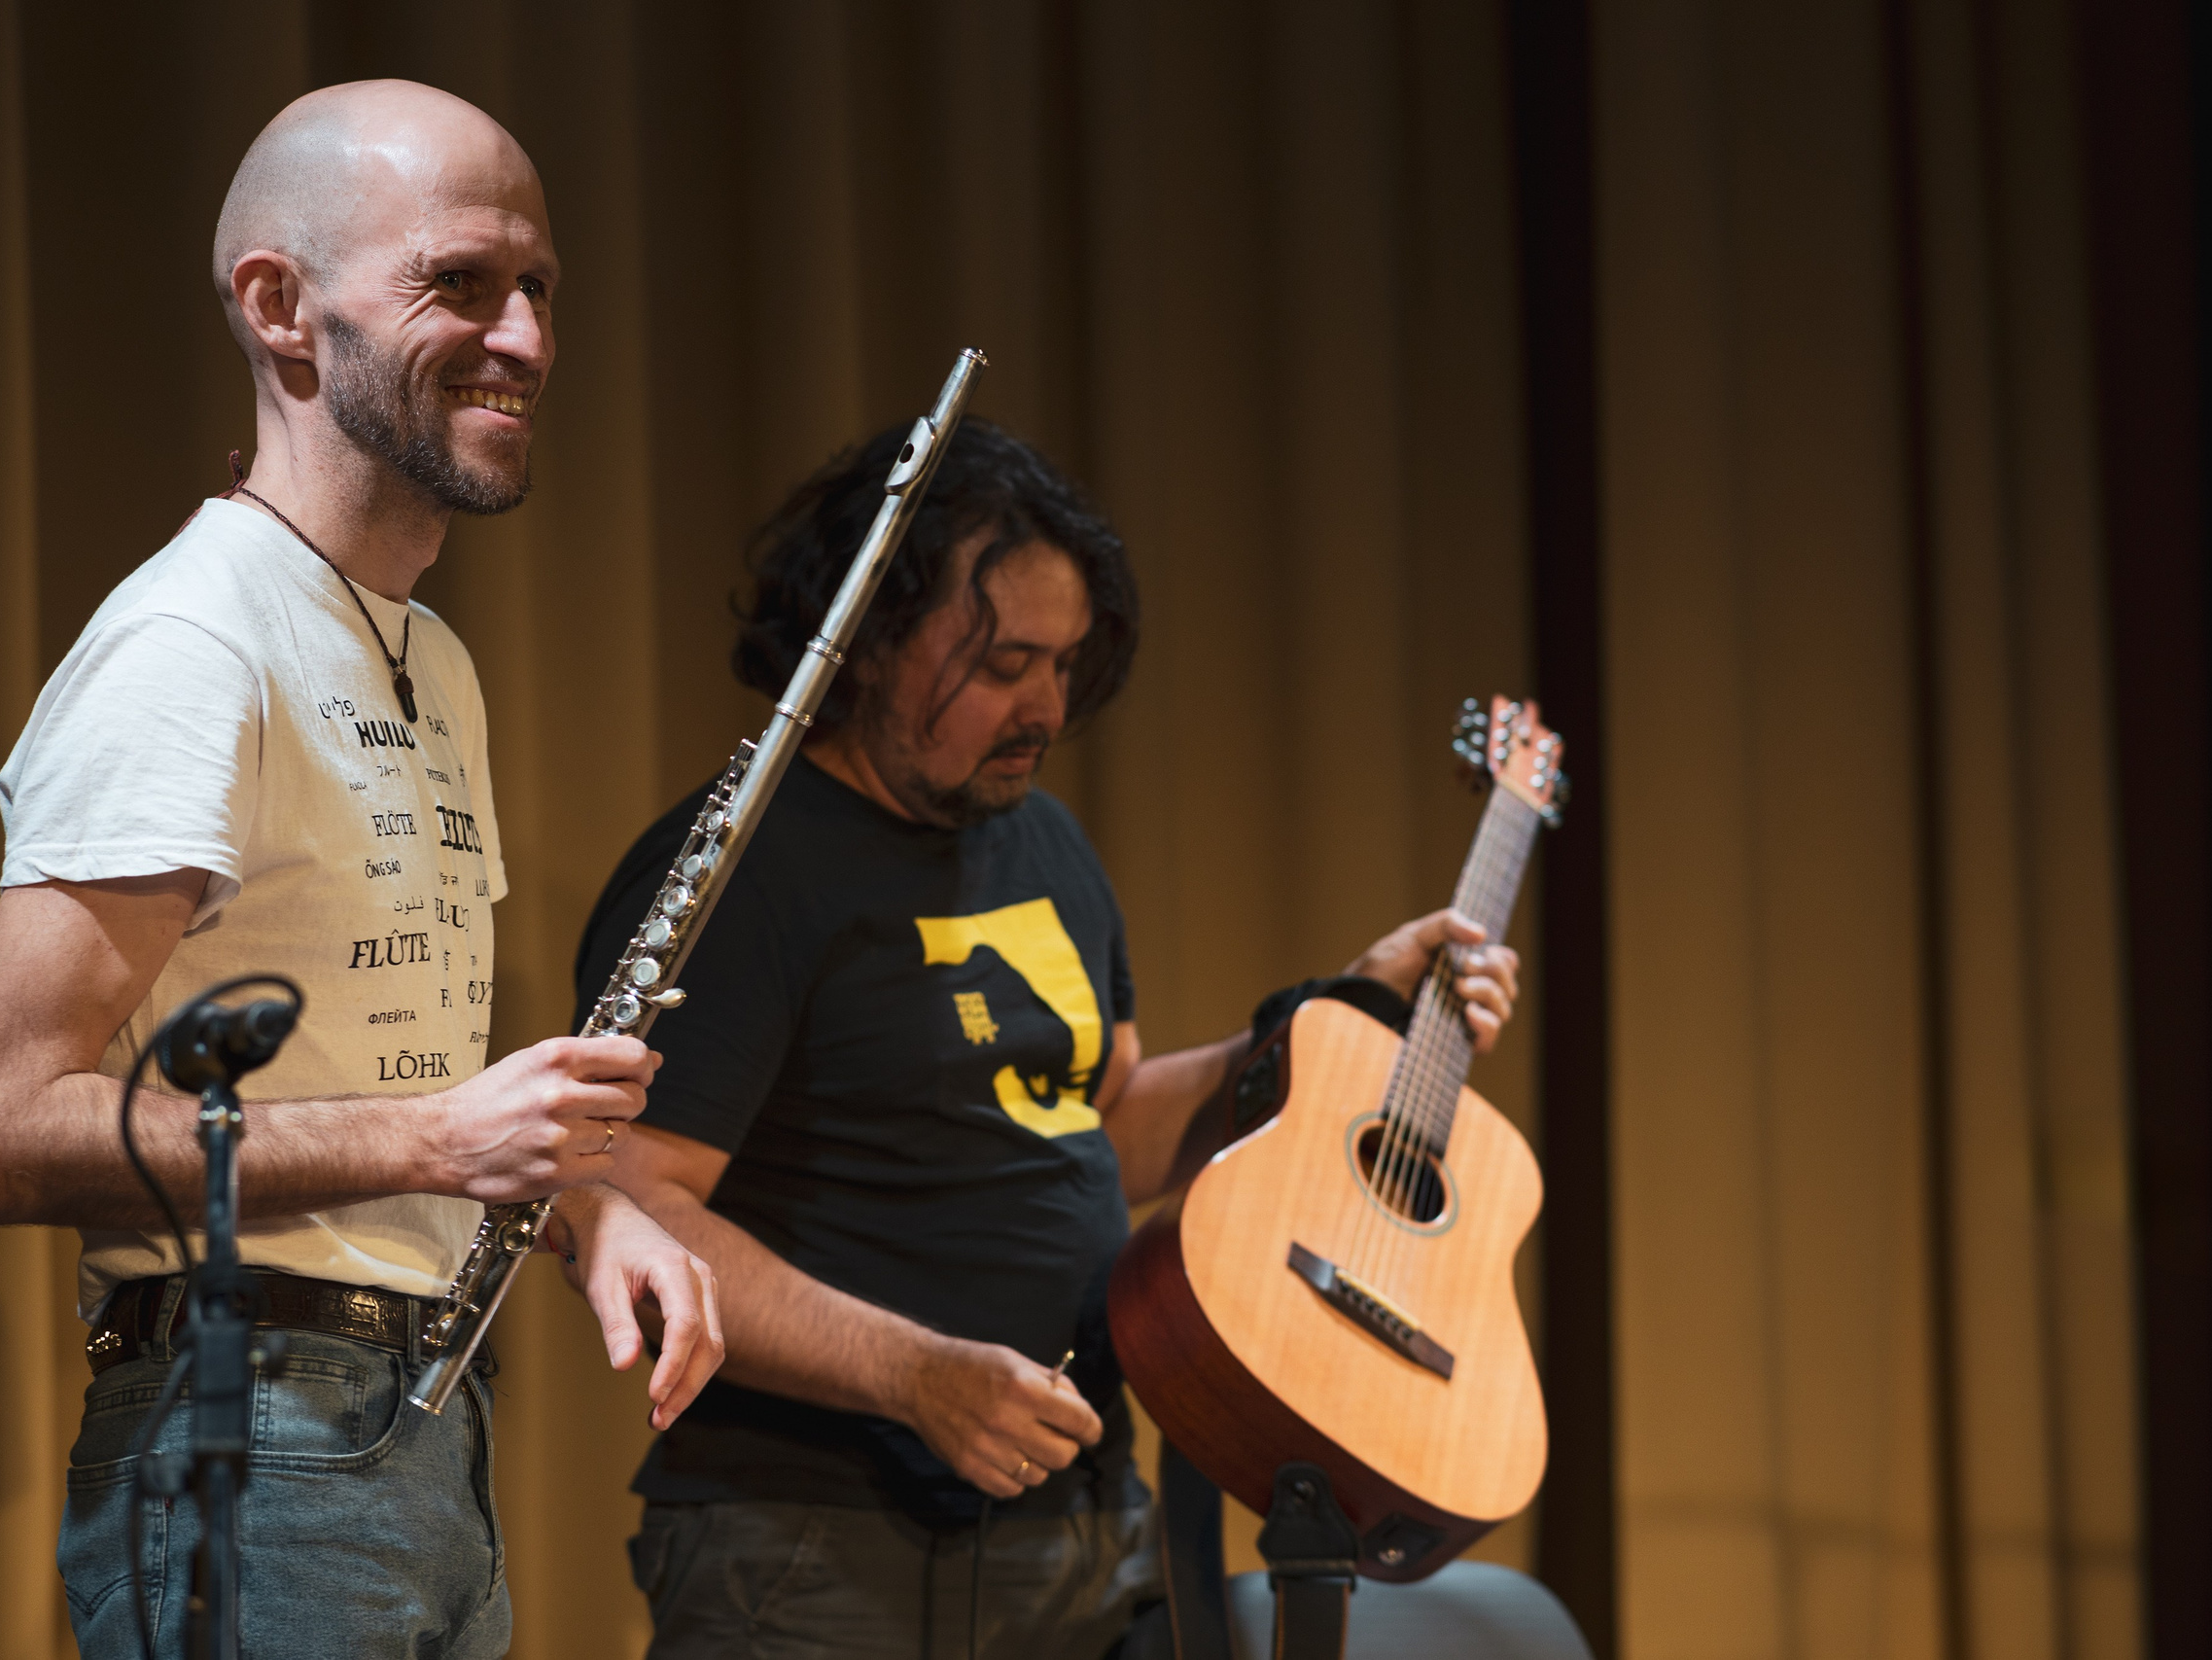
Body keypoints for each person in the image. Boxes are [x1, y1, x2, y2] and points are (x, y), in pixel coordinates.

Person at [0, 81, 721, 1660]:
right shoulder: (192, 641)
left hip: (419, 1424)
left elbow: (383, 1072)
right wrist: (439, 1137)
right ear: (279, 306)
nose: (524, 338)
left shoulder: (437, 657)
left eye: (539, 288)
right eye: (461, 282)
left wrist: (582, 1201)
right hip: (251, 1431)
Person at [574, 418, 1521, 1659]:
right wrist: (914, 1374)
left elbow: (1101, 1127)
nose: (1046, 708)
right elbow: (624, 1206)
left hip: (1086, 1525)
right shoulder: (740, 875)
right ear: (864, 643)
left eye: (1066, 664)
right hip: (817, 1551)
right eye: (1004, 664)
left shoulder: (1043, 841)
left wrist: (1333, 1017)